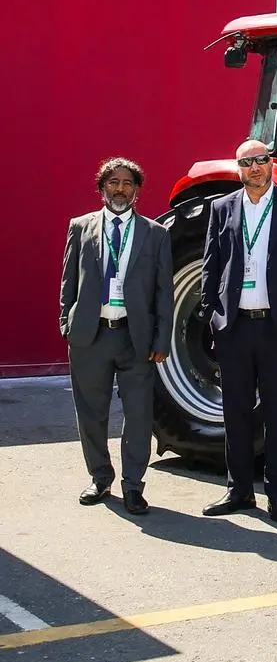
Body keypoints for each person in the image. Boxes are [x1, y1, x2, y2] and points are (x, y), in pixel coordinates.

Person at [200, 140, 277, 523]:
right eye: (246, 162)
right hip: (235, 327)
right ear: (238, 169)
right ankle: (239, 491)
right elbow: (210, 267)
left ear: (271, 164)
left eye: (261, 160)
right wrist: (213, 317)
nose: (255, 167)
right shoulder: (222, 209)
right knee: (235, 413)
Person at [59, 157, 174, 513]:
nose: (120, 189)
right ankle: (100, 478)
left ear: (137, 190)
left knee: (138, 416)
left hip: (134, 339)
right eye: (113, 182)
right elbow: (68, 283)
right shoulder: (80, 227)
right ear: (101, 188)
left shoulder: (156, 234)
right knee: (91, 414)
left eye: (127, 183)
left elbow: (163, 294)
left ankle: (133, 486)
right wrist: (67, 323)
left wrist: (160, 340)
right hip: (90, 337)